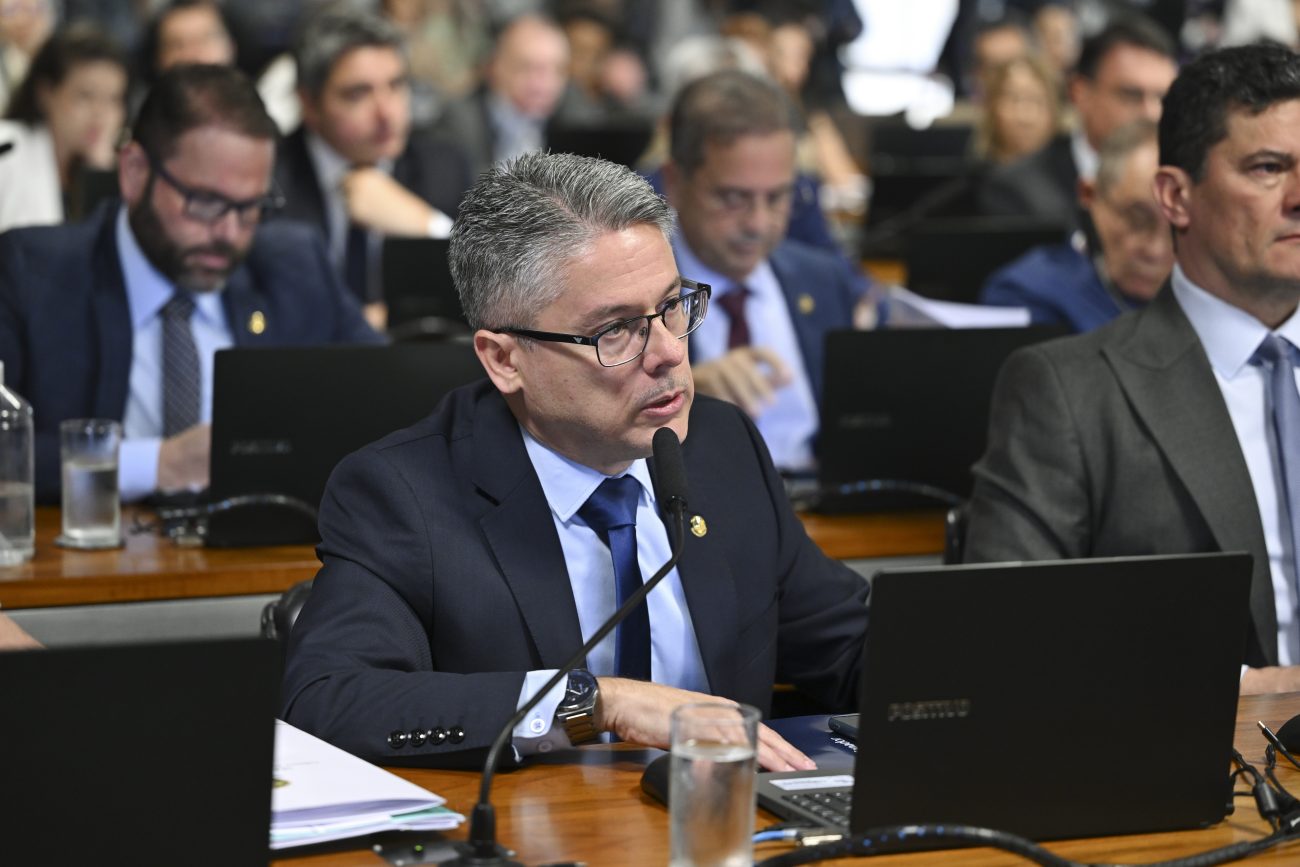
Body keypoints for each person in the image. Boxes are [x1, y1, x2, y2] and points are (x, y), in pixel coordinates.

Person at [281, 151, 870, 770]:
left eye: (673, 307)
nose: (668, 352)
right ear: (504, 359)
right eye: (615, 330)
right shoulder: (403, 493)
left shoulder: (722, 449)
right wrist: (596, 703)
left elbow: (849, 650)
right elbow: (329, 702)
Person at [964, 44, 1300, 694]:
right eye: (1268, 168)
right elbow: (1010, 638)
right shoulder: (1067, 391)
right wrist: (1240, 686)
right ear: (1176, 195)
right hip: (1197, 772)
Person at [0, 64, 380, 505]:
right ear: (135, 172)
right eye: (205, 202)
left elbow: (385, 404)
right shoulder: (33, 272)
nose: (230, 233)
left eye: (251, 206)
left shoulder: (295, 263)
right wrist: (158, 464)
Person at [661, 70, 865, 473]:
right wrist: (682, 395)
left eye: (777, 197)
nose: (758, 223)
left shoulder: (823, 279)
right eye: (733, 198)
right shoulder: (634, 298)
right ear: (675, 182)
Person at [274, 10, 472, 322]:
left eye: (395, 86)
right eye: (358, 93)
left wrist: (426, 226)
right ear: (309, 104)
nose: (386, 112)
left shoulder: (442, 165)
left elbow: (489, 291)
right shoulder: (270, 174)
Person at [978, 15, 1177, 232]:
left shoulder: (1185, 188)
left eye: (1163, 99)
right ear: (1080, 93)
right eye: (1130, 95)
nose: (1151, 113)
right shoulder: (1018, 190)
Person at [980, 119, 1173, 332]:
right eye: (1137, 220)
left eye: (1177, 228)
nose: (1157, 249)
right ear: (1089, 195)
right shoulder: (1029, 293)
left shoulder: (1207, 293)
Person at [0, 25, 127, 232]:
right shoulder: (7, 148)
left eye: (113, 99)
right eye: (86, 95)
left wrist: (102, 175)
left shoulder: (116, 168)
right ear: (46, 93)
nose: (100, 114)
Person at [431, 13, 570, 181]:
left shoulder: (574, 121)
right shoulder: (457, 122)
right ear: (495, 66)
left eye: (556, 70)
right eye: (527, 67)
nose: (543, 84)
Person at [975, 54, 1061, 167]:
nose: (1025, 117)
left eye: (1036, 100)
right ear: (992, 106)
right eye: (1013, 100)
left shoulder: (1074, 179)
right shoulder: (971, 181)